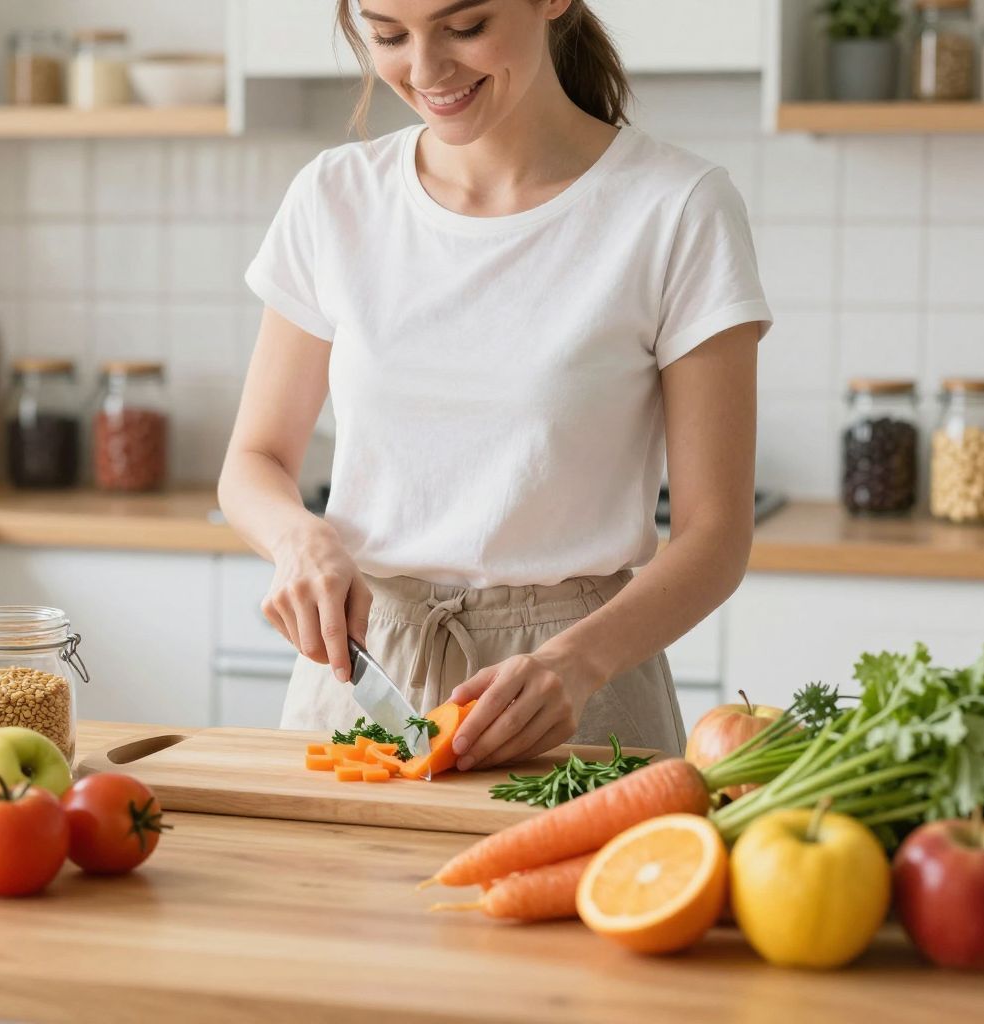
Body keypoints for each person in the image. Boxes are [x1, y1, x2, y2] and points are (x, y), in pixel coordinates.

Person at [218, 0, 771, 768]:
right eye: (387, 36)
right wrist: (298, 541)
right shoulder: (336, 197)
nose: (424, 69)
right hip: (361, 676)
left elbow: (716, 537)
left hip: (576, 695)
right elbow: (252, 462)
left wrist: (574, 664)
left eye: (465, 27)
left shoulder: (677, 208)